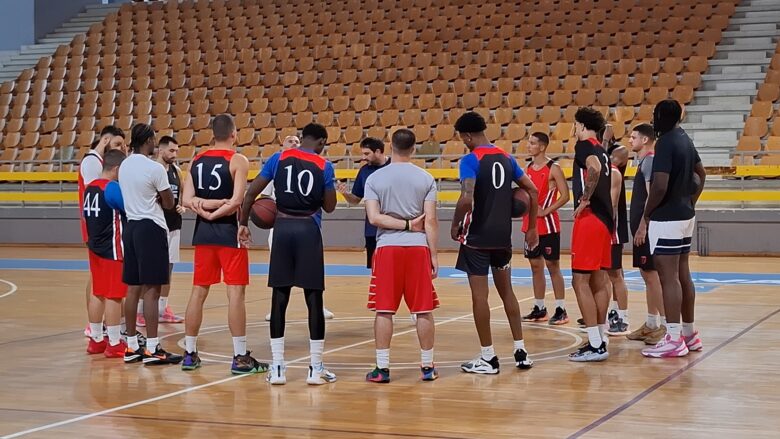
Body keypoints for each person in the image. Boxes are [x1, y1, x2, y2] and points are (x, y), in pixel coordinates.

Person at [239, 123, 338, 385]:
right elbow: (329, 207)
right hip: (308, 230)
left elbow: (251, 193)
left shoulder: (278, 158)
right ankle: (315, 369)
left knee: (279, 298)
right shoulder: (323, 165)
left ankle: (278, 368)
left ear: (302, 137)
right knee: (314, 300)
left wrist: (242, 224)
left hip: (282, 228)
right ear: (321, 142)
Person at [451, 111, 539, 374]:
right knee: (507, 293)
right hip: (503, 239)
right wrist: (532, 227)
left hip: (477, 238)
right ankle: (521, 351)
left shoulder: (470, 159)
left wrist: (455, 224)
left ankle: (488, 358)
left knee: (480, 297)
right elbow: (532, 190)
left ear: (467, 136)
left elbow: (467, 198)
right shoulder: (507, 157)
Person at [181, 115, 267, 374]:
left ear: (212, 134)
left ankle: (189, 354)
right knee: (235, 294)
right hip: (229, 234)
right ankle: (240, 357)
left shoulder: (196, 159)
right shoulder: (238, 160)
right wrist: (218, 208)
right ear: (234, 134)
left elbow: (187, 200)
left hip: (203, 234)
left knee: (198, 291)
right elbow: (237, 199)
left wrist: (205, 211)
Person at [363, 129, 439, 383]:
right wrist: (434, 255)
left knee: (384, 310)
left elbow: (374, 218)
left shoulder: (375, 179)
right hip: (418, 248)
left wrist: (401, 225)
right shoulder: (426, 178)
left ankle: (382, 369)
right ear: (414, 149)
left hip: (387, 248)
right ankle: (428, 367)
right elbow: (430, 221)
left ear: (391, 147)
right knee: (424, 310)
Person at [641, 99, 706, 358]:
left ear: (660, 116)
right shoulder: (685, 138)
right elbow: (702, 174)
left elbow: (659, 186)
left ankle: (673, 338)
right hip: (685, 214)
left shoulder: (666, 142)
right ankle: (689, 334)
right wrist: (691, 201)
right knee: (683, 275)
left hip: (667, 217)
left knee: (668, 278)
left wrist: (646, 216)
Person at [119, 123, 182, 365]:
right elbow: (168, 203)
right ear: (147, 141)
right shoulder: (155, 168)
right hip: (151, 227)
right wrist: (160, 196)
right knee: (153, 291)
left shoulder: (124, 165)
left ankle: (132, 345)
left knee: (132, 288)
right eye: (153, 140)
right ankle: (154, 348)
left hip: (131, 226)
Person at [262, 135, 334, 321]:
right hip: (281, 223)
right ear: (282, 145)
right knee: (281, 273)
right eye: (289, 141)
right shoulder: (277, 164)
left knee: (310, 273)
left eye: (296, 141)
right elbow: (264, 198)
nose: (293, 144)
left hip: (306, 223)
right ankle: (275, 309)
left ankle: (320, 307)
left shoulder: (312, 164)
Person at [568, 107, 613, 362]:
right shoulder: (602, 150)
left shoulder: (585, 146)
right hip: (606, 222)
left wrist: (585, 199)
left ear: (583, 126)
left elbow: (593, 169)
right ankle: (600, 337)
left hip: (591, 219)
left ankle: (596, 344)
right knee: (599, 281)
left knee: (579, 281)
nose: (573, 130)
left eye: (575, 125)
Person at [80, 126, 126, 339]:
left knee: (97, 292)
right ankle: (115, 342)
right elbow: (130, 210)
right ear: (116, 169)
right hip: (112, 247)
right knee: (114, 295)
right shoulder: (111, 188)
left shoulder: (91, 188)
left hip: (94, 246)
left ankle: (96, 338)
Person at [520, 132, 570, 325]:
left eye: (532, 143)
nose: (528, 146)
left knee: (552, 266)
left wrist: (546, 211)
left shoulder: (553, 168)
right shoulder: (527, 168)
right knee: (535, 266)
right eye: (528, 142)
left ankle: (561, 309)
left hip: (548, 225)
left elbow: (565, 196)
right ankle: (540, 308)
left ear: (542, 147)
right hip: (530, 225)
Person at [137, 136, 185, 327]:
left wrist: (181, 206)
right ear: (161, 150)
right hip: (155, 224)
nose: (175, 154)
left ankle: (162, 309)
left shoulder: (177, 171)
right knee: (149, 269)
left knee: (169, 268)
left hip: (173, 224)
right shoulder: (150, 170)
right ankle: (141, 310)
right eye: (171, 151)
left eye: (176, 151)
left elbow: (179, 196)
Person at [626, 123, 666, 345]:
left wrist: (643, 225)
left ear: (645, 140)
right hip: (641, 227)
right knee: (646, 274)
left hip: (646, 229)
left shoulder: (649, 160)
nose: (630, 140)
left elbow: (652, 197)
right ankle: (652, 323)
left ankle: (668, 328)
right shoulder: (642, 161)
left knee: (652, 276)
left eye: (633, 137)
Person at [337, 136, 392, 269]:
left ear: (378, 151)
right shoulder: (364, 171)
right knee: (375, 269)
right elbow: (355, 200)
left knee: (393, 267)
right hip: (372, 229)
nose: (363, 157)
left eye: (367, 154)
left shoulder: (394, 166)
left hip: (393, 227)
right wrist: (345, 194)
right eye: (362, 154)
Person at [605, 136, 631, 336]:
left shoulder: (617, 156)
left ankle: (623, 317)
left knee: (615, 273)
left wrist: (604, 141)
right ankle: (611, 312)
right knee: (605, 273)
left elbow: (612, 205)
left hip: (612, 225)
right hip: (602, 225)